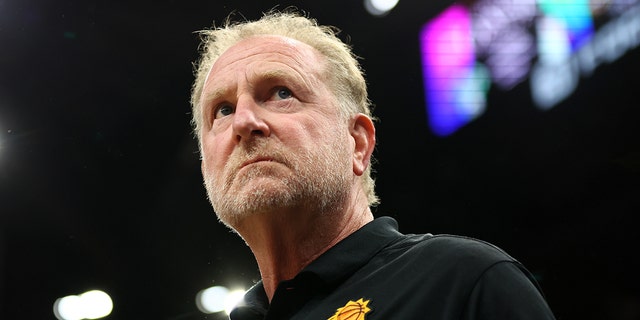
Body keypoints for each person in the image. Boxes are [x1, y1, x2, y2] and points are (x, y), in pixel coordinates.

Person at [189, 8, 556, 320]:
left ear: (358, 142)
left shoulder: (462, 281)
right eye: (223, 110)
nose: (243, 122)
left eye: (281, 93)